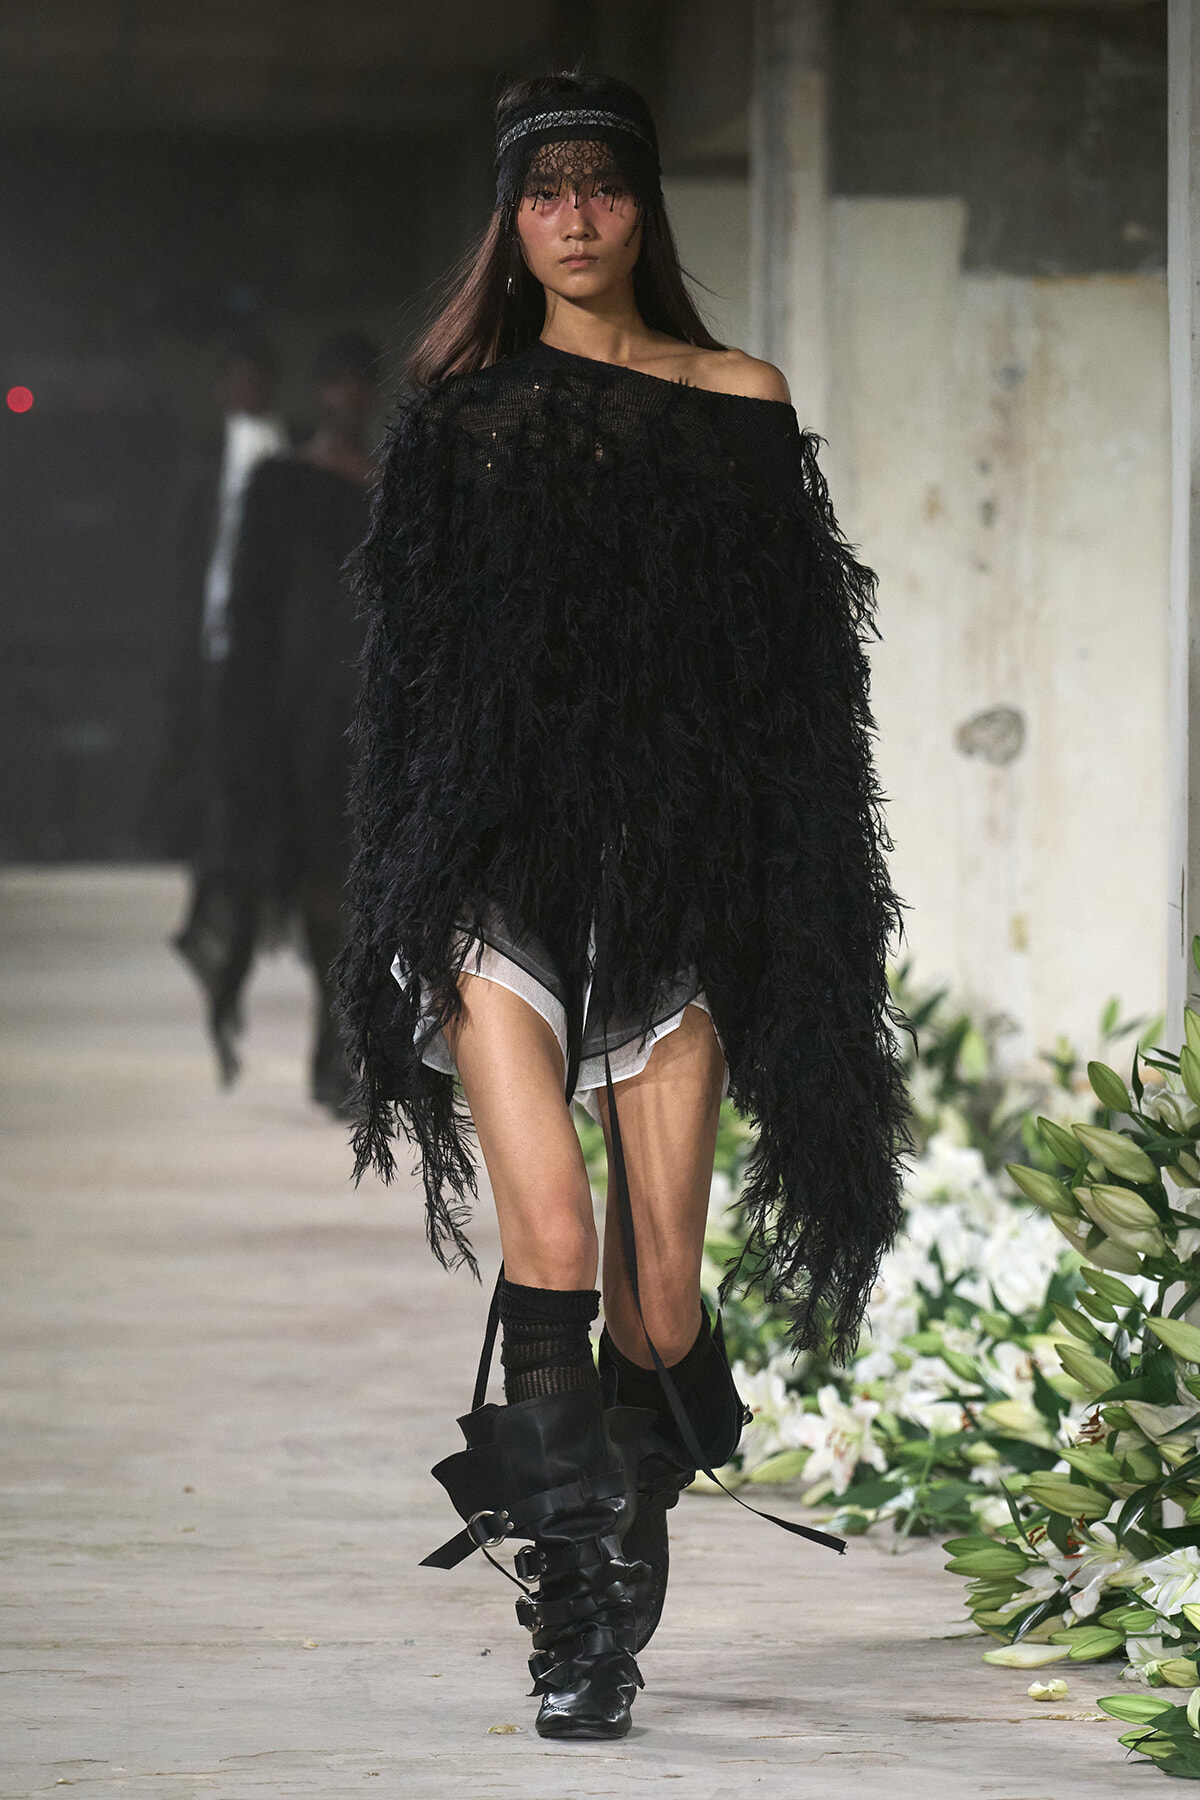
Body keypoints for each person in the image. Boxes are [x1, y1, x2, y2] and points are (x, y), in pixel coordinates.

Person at [338, 73, 905, 1740]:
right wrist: (400, 886)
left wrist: (799, 906)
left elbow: (802, 683)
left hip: (680, 888)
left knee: (660, 1303)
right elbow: (408, 685)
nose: (575, 218)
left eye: (601, 188)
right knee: (557, 1243)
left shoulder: (738, 402)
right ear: (510, 223)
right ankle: (576, 1621)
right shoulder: (461, 414)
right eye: (544, 193)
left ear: (646, 208)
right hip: (499, 878)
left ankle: (619, 1476)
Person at [187, 332, 380, 1109]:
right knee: (323, 877)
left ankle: (354, 1043)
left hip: (383, 713)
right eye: (332, 384)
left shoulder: (400, 485)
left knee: (370, 882)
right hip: (303, 716)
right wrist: (244, 724)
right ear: (317, 392)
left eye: (355, 384)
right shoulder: (280, 487)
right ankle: (336, 1046)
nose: (344, 398)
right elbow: (252, 607)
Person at [164, 340, 289, 1077]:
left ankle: (229, 939)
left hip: (279, 670)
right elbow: (184, 571)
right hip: (220, 663)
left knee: (257, 812)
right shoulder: (202, 467)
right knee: (228, 806)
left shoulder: (291, 456)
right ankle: (224, 940)